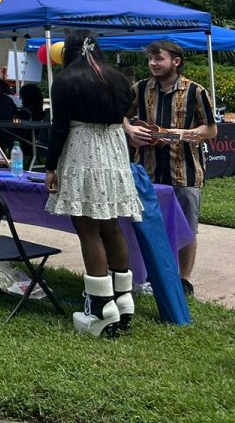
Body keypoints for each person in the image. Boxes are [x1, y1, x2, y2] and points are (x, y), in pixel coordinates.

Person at [44, 32, 143, 337]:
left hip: (81, 149)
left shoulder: (66, 80)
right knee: (111, 225)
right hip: (114, 152)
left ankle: (101, 307)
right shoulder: (118, 80)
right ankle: (123, 300)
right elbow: (129, 111)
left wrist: (50, 166)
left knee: (87, 228)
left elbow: (59, 127)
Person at [125, 40, 217, 297]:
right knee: (144, 223)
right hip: (148, 171)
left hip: (185, 169)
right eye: (150, 60)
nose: (153, 64)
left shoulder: (196, 92)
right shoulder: (140, 88)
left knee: (187, 227)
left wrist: (190, 133)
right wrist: (130, 130)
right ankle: (146, 276)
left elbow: (211, 129)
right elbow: (119, 114)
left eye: (159, 59)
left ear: (176, 61)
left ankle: (183, 280)